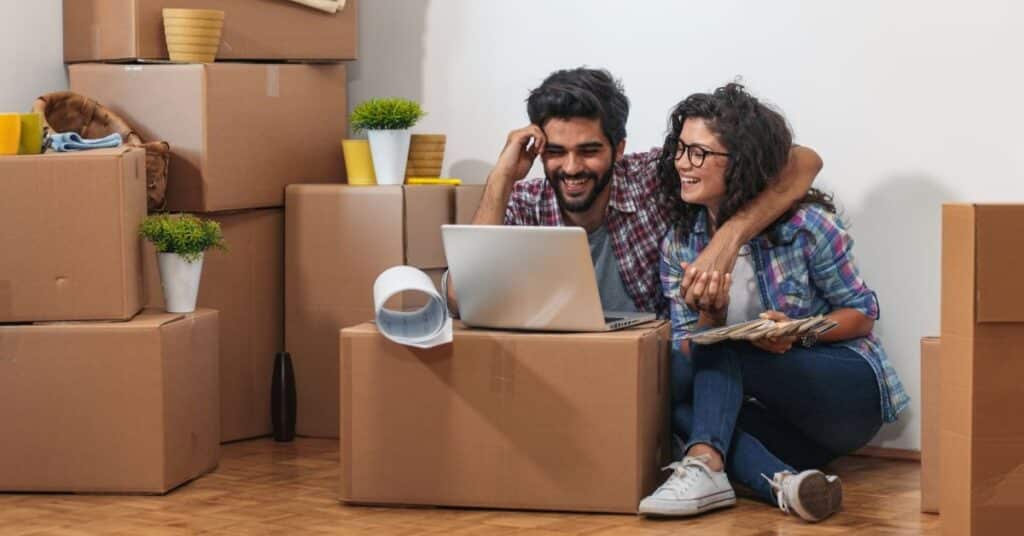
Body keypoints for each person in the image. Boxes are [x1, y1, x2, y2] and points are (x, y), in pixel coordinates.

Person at [640, 83, 908, 522]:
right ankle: (788, 485)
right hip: (777, 422)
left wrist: (797, 332)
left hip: (843, 391)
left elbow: (862, 314)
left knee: (722, 348)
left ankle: (705, 464)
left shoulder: (806, 227)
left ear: (741, 163)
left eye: (699, 153)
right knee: (677, 405)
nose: (682, 164)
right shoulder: (680, 245)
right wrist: (711, 314)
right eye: (681, 149)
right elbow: (688, 353)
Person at [445, 67, 823, 316]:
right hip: (558, 368)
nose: (572, 167)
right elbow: (464, 301)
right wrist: (501, 178)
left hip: (650, 365)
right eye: (556, 152)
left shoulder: (652, 178)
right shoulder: (525, 204)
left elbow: (804, 161)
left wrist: (726, 240)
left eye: (589, 151)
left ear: (619, 148)